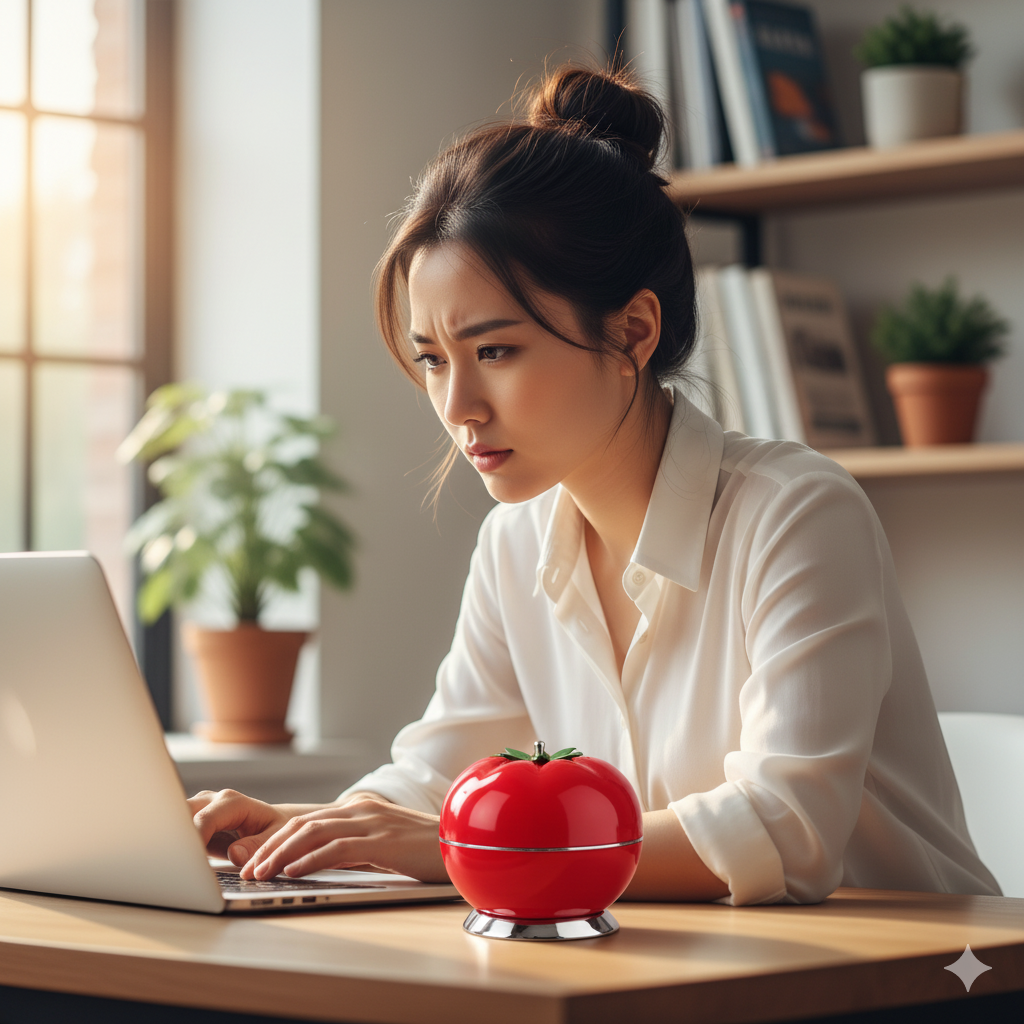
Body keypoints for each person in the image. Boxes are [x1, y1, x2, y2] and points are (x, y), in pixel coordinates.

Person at [190, 65, 999, 905]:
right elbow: (436, 779)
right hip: (690, 959)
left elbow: (786, 832)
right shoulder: (515, 544)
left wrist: (460, 848)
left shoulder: (795, 514)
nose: (458, 407)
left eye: (495, 350)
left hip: (915, 963)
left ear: (633, 331)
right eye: (433, 360)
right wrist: (299, 828)